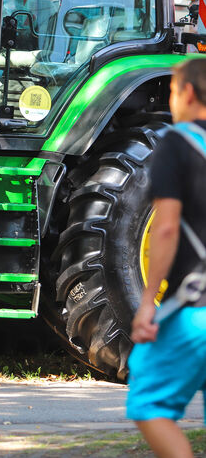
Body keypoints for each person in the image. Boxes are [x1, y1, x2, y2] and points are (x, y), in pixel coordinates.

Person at [128, 57, 206, 458]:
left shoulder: (177, 143)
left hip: (195, 312)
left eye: (172, 91)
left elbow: (167, 227)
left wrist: (146, 302)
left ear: (188, 93)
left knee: (150, 405)